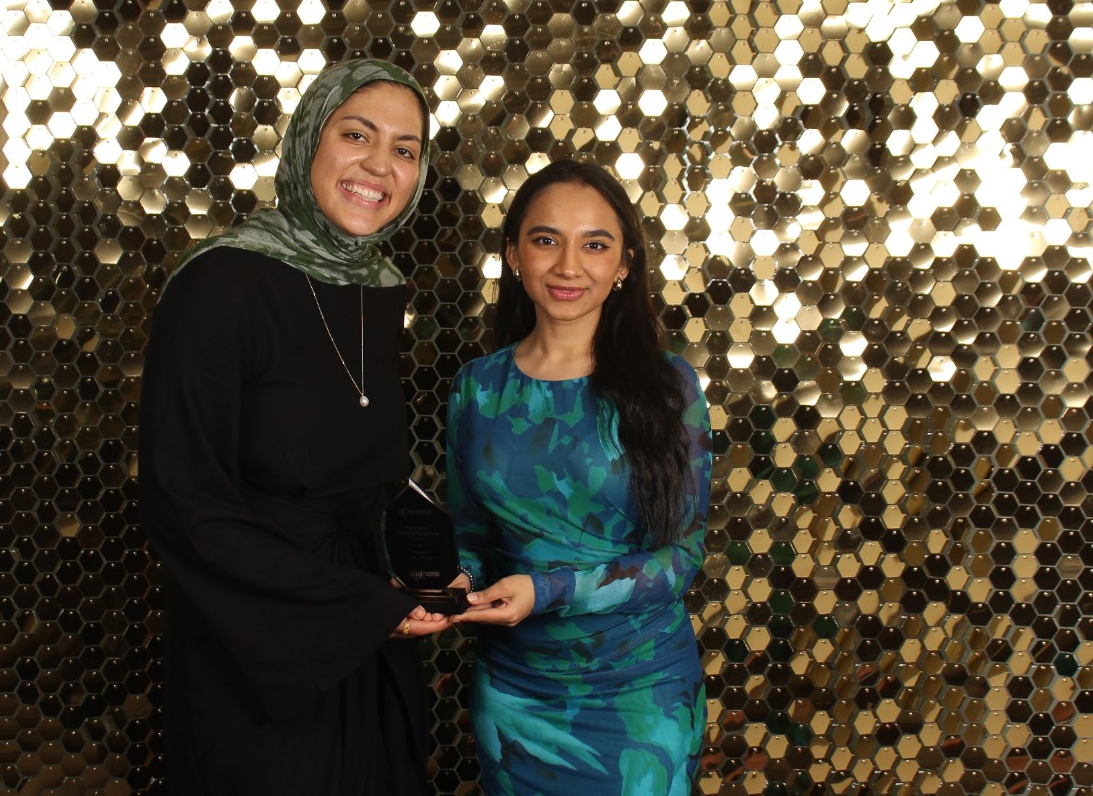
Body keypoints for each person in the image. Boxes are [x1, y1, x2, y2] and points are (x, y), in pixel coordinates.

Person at [138, 58, 448, 795]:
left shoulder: (378, 287)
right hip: (259, 659)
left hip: (374, 647)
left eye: (405, 149)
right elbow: (184, 502)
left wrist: (429, 572)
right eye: (357, 135)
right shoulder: (219, 284)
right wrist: (361, 607)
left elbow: (368, 479)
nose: (380, 165)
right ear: (310, 139)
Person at [445, 159, 712, 795]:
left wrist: (549, 590)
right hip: (514, 695)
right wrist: (451, 586)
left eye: (595, 244)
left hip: (640, 697)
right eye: (547, 240)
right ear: (514, 254)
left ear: (624, 264)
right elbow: (470, 539)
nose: (569, 266)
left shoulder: (669, 385)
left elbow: (680, 559)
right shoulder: (476, 388)